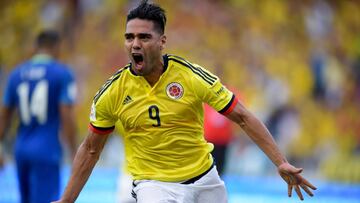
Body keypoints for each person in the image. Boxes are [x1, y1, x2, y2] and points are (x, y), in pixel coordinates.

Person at [53, 1, 316, 202]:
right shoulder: (112, 92)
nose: (135, 44)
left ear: (162, 41)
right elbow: (90, 149)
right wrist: (67, 199)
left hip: (205, 179)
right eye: (129, 37)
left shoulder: (190, 76)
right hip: (153, 184)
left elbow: (243, 117)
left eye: (144, 37)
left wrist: (280, 161)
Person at [0, 30, 77, 203]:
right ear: (57, 47)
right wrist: (74, 152)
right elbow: (67, 115)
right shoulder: (62, 73)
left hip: (20, 149)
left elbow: (4, 115)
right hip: (47, 150)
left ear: (36, 47)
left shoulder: (16, 74)